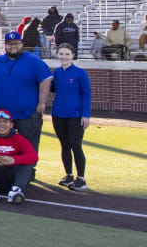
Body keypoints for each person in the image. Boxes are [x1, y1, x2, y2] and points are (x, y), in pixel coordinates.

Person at [0, 31, 52, 160]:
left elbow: (46, 78)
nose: (13, 46)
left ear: (22, 43)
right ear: (5, 45)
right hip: (2, 113)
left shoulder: (33, 60)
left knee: (28, 145)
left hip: (27, 112)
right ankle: (6, 170)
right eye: (9, 44)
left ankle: (28, 171)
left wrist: (42, 102)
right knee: (3, 144)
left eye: (16, 43)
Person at [50, 43, 91, 191]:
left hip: (75, 115)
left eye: (67, 54)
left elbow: (86, 95)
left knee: (75, 144)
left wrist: (86, 115)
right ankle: (69, 175)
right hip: (58, 114)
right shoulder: (57, 73)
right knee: (64, 145)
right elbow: (53, 88)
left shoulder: (80, 73)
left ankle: (81, 178)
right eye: (61, 54)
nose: (64, 57)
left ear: (73, 55)